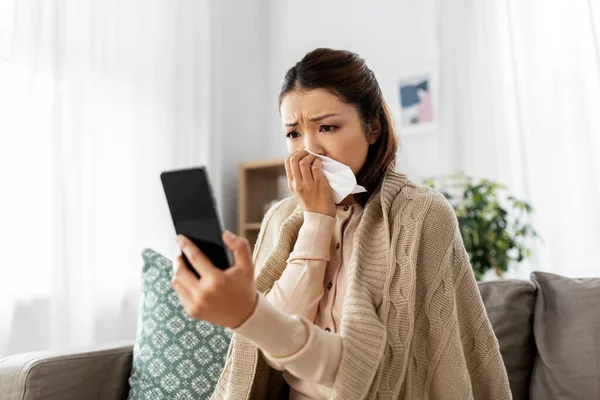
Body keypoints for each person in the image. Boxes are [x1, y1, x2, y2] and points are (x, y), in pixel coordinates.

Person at [171, 48, 512, 399]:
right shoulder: (279, 219)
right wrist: (317, 222)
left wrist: (249, 313)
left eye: (327, 127)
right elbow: (269, 351)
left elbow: (374, 373)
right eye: (293, 134)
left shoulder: (422, 214)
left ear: (373, 127)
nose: (310, 150)